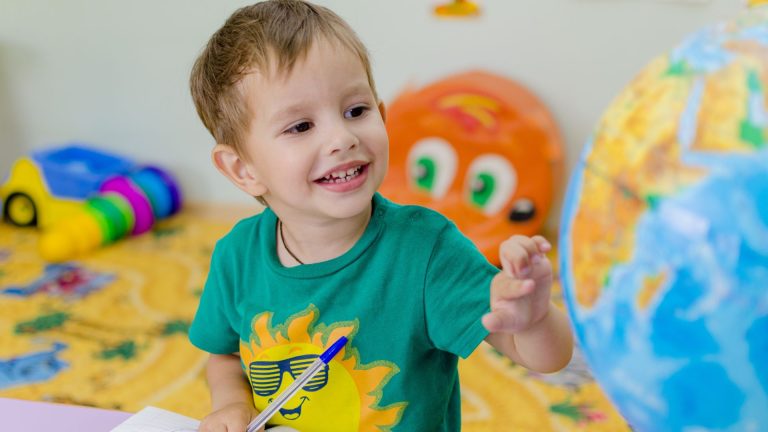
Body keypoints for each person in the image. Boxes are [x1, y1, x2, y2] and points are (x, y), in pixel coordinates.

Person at [187, 1, 574, 431]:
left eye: (356, 111)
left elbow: (546, 358)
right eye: (300, 127)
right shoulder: (236, 256)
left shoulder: (428, 251)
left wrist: (536, 320)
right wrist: (228, 405)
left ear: (383, 116)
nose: (342, 137)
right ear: (243, 169)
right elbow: (223, 354)